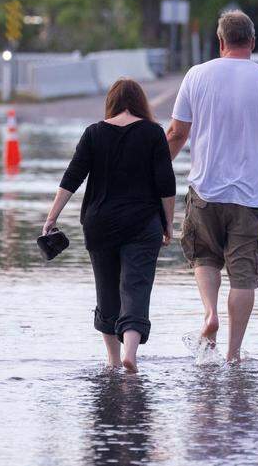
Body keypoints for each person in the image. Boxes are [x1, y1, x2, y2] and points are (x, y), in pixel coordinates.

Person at [165, 10, 258, 363]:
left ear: (220, 41)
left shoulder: (197, 76)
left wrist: (152, 174)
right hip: (250, 199)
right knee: (243, 278)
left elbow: (177, 134)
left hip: (204, 194)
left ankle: (209, 313)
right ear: (253, 43)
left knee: (205, 257)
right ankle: (233, 355)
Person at [43, 78, 177, 373]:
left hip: (100, 223)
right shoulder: (153, 133)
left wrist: (52, 216)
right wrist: (169, 224)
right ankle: (131, 354)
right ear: (141, 103)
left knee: (107, 292)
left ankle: (114, 362)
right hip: (143, 224)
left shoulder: (94, 133)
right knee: (136, 287)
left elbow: (72, 177)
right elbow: (166, 184)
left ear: (111, 103)